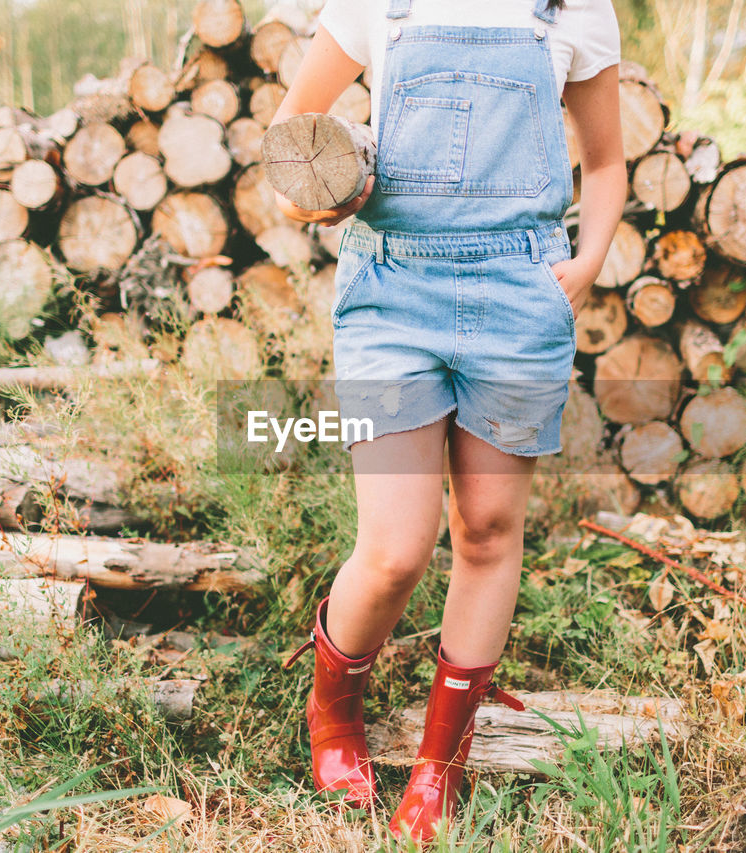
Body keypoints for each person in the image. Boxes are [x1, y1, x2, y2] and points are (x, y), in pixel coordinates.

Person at [275, 0, 625, 841]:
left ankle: (440, 767)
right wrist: (313, 198)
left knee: (488, 532)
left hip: (518, 296)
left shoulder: (573, 9)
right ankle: (334, 713)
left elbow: (607, 162)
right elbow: (290, 137)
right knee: (396, 548)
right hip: (391, 295)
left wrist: (583, 267)